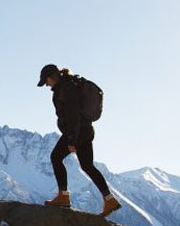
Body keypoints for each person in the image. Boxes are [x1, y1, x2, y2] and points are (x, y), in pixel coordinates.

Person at [37, 63, 121, 217]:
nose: (47, 85)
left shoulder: (67, 88)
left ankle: (63, 196)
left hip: (77, 131)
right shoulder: (69, 85)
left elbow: (73, 114)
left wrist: (71, 139)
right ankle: (110, 200)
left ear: (51, 77)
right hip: (86, 130)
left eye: (46, 81)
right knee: (87, 166)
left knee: (56, 157)